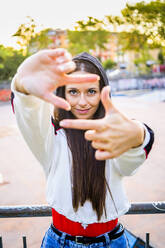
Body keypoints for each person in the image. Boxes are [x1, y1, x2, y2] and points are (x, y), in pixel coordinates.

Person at [11, 48, 154, 248]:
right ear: (63, 93)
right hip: (58, 242)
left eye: (91, 91)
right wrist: (22, 85)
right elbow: (30, 115)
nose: (82, 102)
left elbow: (130, 164)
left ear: (104, 92)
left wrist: (139, 134)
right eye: (73, 91)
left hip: (112, 242)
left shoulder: (114, 135)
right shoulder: (52, 137)